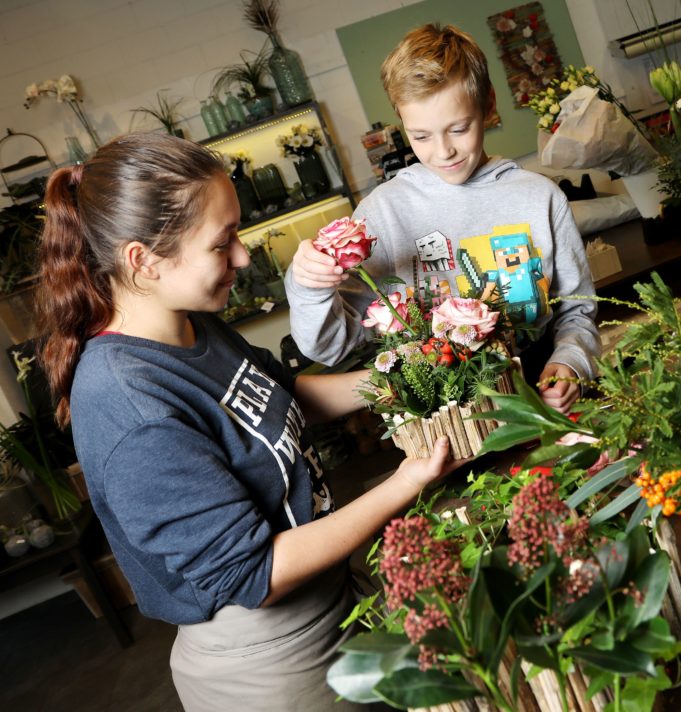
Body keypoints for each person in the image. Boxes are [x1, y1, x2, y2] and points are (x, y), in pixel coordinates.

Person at [35, 133, 462, 711]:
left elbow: (277, 396)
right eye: (222, 242)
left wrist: (399, 378)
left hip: (334, 601)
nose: (242, 257)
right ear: (144, 260)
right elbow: (253, 573)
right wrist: (408, 481)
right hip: (271, 664)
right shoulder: (130, 404)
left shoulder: (191, 323)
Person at [286, 23, 599, 413]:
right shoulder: (381, 214)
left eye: (458, 128)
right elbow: (332, 348)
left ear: (487, 105)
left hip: (538, 395)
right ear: (401, 122)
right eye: (421, 136)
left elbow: (577, 310)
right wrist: (308, 287)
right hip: (438, 418)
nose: (443, 151)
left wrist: (570, 362)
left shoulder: (540, 198)